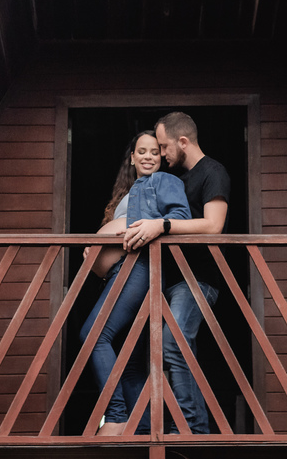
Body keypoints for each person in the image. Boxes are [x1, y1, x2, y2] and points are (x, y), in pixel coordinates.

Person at [122, 112, 229, 434]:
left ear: (183, 142)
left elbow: (213, 226)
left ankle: (193, 429)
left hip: (198, 279)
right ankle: (160, 424)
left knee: (173, 343)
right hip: (168, 279)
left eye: (165, 146)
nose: (161, 153)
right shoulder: (176, 181)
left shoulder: (213, 171)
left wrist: (163, 224)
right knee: (152, 348)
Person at [79, 131, 190, 436]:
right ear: (132, 157)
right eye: (141, 151)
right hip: (120, 273)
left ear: (162, 157)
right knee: (130, 363)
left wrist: (112, 235)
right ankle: (140, 432)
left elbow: (179, 217)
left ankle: (115, 416)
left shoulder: (164, 182)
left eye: (154, 151)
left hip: (139, 269)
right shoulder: (128, 193)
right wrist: (97, 245)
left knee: (93, 334)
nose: (148, 157)